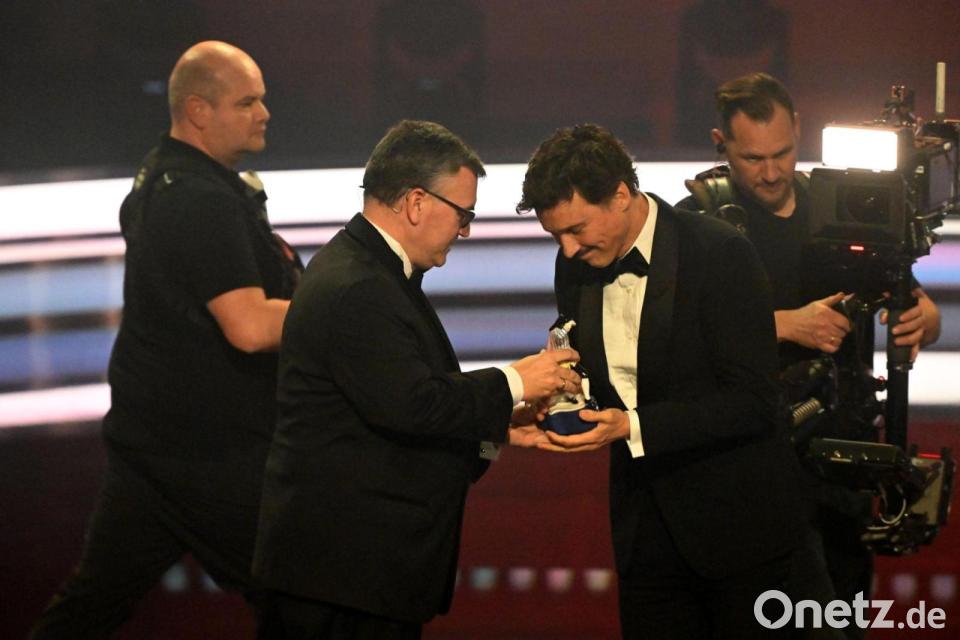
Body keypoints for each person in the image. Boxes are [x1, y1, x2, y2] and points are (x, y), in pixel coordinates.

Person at [253, 119, 580, 639]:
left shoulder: (372, 272)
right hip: (341, 581)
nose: (465, 231)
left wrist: (496, 430)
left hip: (352, 577)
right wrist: (517, 380)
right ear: (416, 202)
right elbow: (413, 404)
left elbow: (402, 411)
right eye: (463, 214)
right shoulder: (359, 286)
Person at [31, 41, 301, 638]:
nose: (265, 113)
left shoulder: (171, 176)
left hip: (157, 448)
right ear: (199, 110)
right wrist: (344, 311)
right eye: (247, 102)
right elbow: (249, 327)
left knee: (91, 605)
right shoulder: (197, 199)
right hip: (208, 458)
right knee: (308, 599)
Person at [675, 72, 942, 638]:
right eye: (753, 158)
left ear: (799, 129)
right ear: (720, 143)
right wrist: (780, 326)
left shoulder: (847, 202)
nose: (771, 172)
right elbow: (669, 337)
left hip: (842, 469)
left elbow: (907, 297)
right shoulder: (697, 221)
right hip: (748, 472)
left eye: (782, 153)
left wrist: (927, 318)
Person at [516, 123, 807, 639]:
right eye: (555, 235)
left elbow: (754, 401)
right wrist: (568, 389)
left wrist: (631, 427)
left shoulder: (719, 252)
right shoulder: (575, 264)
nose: (567, 248)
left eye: (576, 229)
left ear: (620, 195)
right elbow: (601, 366)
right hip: (643, 537)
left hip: (737, 535)